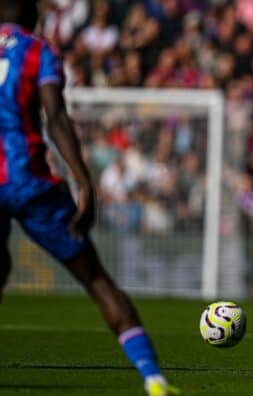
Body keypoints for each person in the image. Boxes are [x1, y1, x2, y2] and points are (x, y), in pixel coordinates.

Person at [0, 2, 179, 395]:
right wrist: (84, 181)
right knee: (97, 280)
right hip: (30, 181)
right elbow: (56, 116)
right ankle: (153, 378)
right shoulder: (37, 50)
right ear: (31, 14)